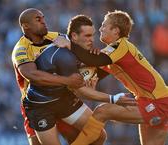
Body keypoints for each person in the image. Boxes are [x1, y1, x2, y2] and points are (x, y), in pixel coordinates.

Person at [54, 10, 168, 145]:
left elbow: (94, 61)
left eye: (104, 25)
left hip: (158, 102)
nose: (100, 28)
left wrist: (69, 45)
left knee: (102, 111)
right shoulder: (112, 53)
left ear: (115, 30)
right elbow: (94, 70)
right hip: (151, 101)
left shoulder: (121, 45)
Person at [11, 8, 85, 145]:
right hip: (37, 104)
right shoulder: (21, 50)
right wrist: (67, 80)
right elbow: (32, 75)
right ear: (26, 26)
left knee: (79, 136)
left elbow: (80, 54)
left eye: (43, 18)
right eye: (38, 19)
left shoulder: (56, 37)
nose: (44, 22)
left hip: (61, 96)